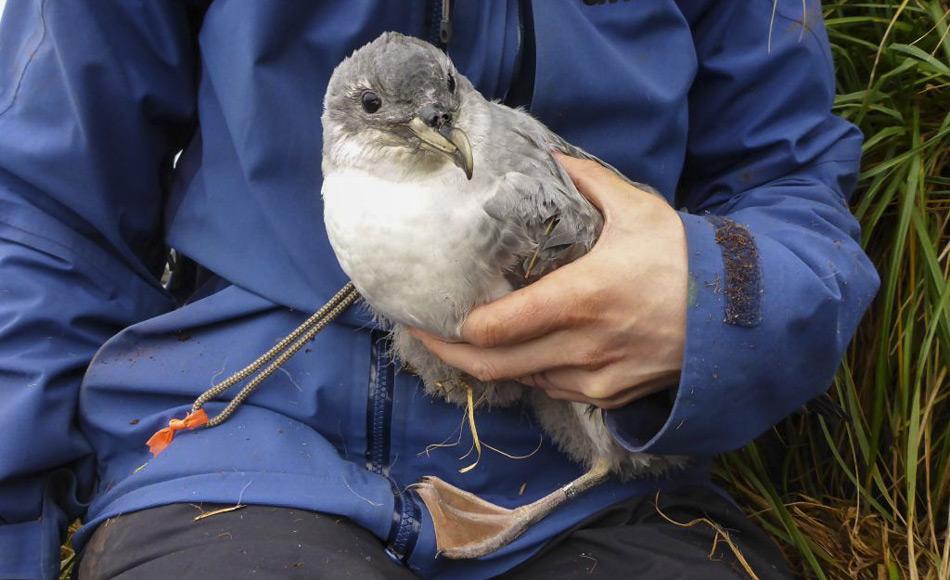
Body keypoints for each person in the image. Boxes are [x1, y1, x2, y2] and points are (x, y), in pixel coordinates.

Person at [0, 2, 878, 578]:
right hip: (237, 454)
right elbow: (40, 212)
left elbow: (791, 185)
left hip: (595, 472)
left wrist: (714, 302)